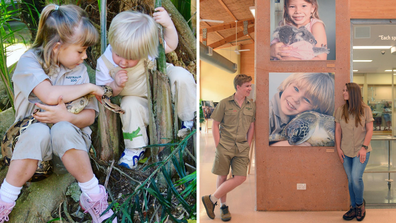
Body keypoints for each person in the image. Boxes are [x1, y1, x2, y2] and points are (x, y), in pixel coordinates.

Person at [0, 4, 116, 222]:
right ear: (56, 47)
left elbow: (90, 116)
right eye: (80, 51)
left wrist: (68, 117)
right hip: (32, 159)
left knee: (63, 128)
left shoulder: (79, 71)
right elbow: (50, 95)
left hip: (70, 155)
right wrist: (91, 88)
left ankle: (93, 198)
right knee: (37, 132)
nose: (84, 57)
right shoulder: (29, 62)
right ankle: (4, 202)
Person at [95, 9, 196, 169]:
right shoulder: (104, 63)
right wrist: (115, 86)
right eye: (119, 55)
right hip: (139, 100)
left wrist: (168, 24)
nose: (123, 62)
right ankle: (135, 149)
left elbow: (170, 44)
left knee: (182, 77)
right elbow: (103, 94)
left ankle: (189, 119)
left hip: (163, 89)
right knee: (128, 105)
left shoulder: (143, 47)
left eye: (131, 58)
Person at [201, 74, 255, 221]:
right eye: (247, 86)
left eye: (250, 85)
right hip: (225, 145)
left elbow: (251, 126)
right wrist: (218, 145)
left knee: (241, 177)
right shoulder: (224, 103)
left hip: (242, 147)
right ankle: (223, 207)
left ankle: (211, 199)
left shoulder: (251, 105)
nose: (250, 88)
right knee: (223, 176)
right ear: (238, 87)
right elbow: (215, 124)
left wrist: (248, 145)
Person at [335, 82, 373, 221]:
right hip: (345, 151)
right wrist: (338, 148)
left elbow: (370, 130)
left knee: (356, 178)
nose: (343, 93)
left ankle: (359, 205)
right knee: (350, 180)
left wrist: (364, 148)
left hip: (361, 151)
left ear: (354, 93)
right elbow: (338, 130)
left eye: (346, 90)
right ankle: (353, 208)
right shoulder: (340, 110)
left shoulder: (365, 109)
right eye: (343, 90)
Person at [269, 73, 334, 146]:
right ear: (288, 84)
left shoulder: (324, 125)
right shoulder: (267, 114)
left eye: (306, 100)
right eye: (296, 89)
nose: (296, 99)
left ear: (315, 110)